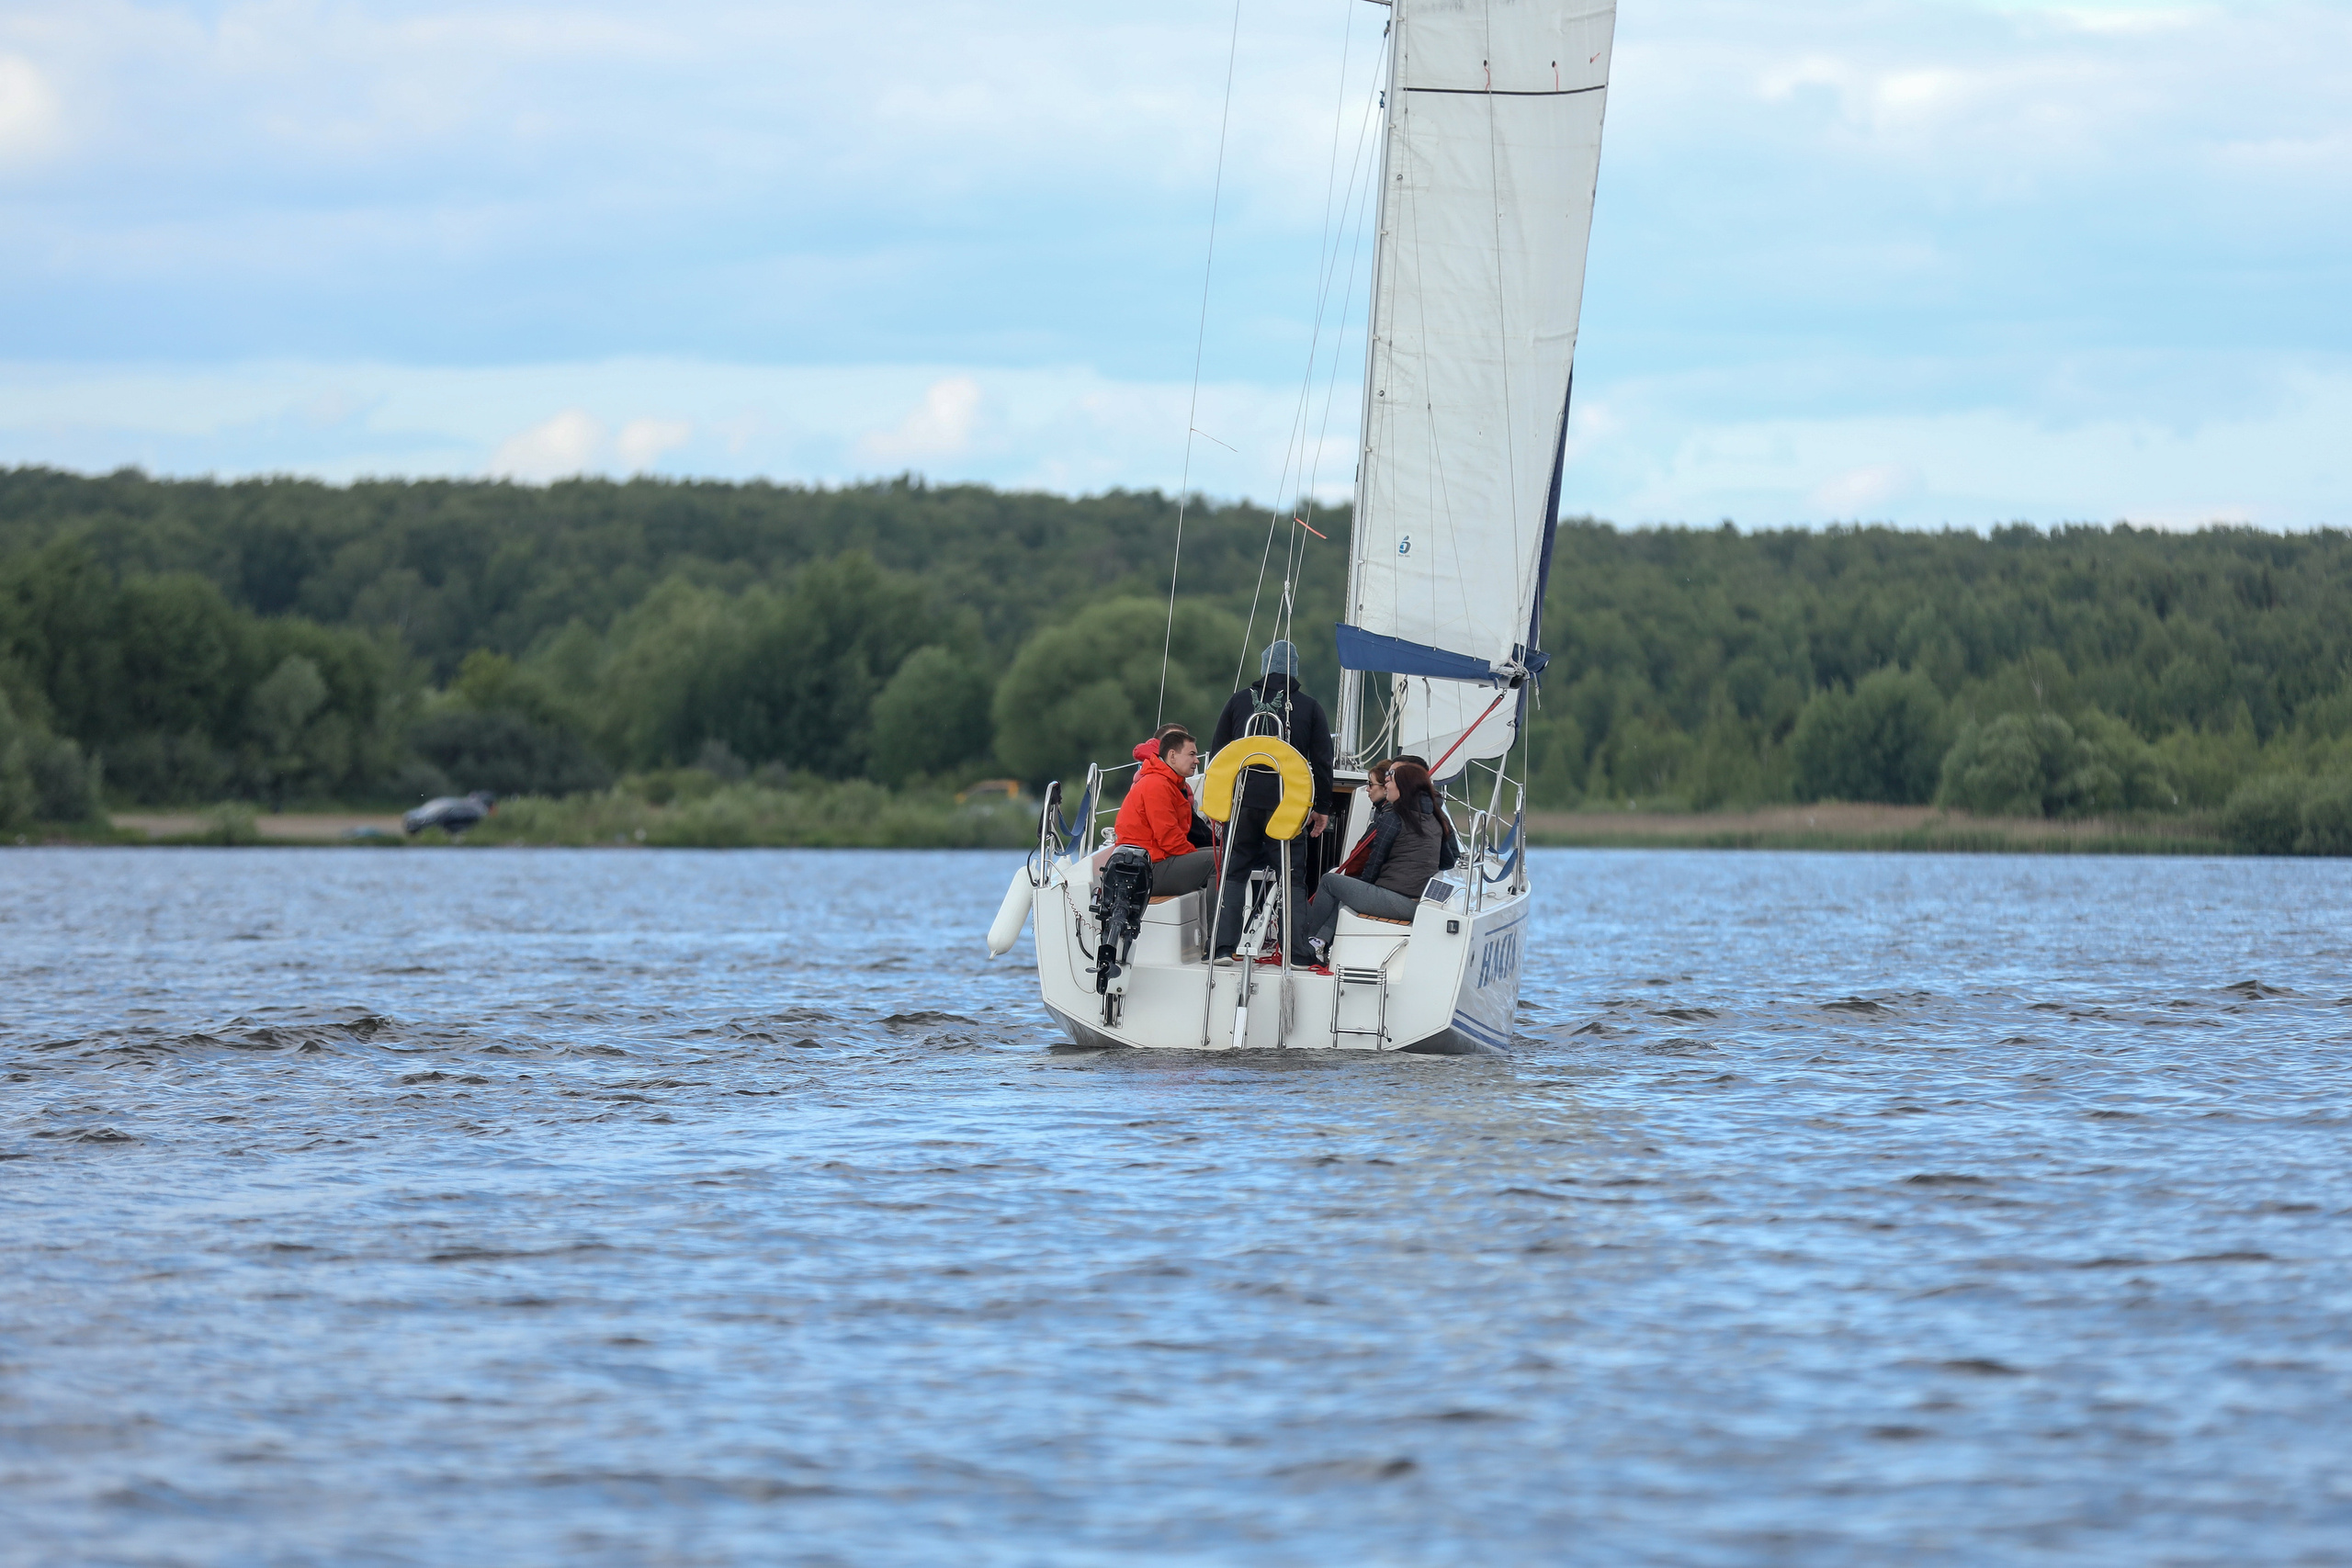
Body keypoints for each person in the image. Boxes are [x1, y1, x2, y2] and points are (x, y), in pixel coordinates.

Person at [1207, 640, 1336, 961]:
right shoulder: (1310, 708)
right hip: (1287, 803)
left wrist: (1218, 807)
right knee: (1292, 878)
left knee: (1234, 874)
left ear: (1264, 667)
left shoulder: (1237, 703)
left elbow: (1218, 758)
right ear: (1295, 669)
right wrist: (1321, 808)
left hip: (1243, 802)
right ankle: (1296, 952)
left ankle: (1222, 947)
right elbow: (1321, 763)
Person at [1297, 761, 1456, 969]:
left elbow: (1374, 863)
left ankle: (1308, 946)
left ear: (1403, 787)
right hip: (1417, 901)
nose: (1387, 785)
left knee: (1330, 881)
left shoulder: (1394, 816)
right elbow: (1447, 861)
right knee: (1348, 891)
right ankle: (1320, 942)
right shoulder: (1436, 818)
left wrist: (1362, 887)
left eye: (1391, 782)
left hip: (1397, 900)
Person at [1112, 726, 1216, 896]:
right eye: (1191, 754)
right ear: (1172, 756)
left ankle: (1221, 919)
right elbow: (1170, 839)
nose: (1197, 760)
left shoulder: (1167, 783)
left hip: (1153, 863)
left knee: (1223, 856)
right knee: (1218, 862)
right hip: (1147, 871)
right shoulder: (1157, 785)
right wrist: (1196, 857)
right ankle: (1219, 923)